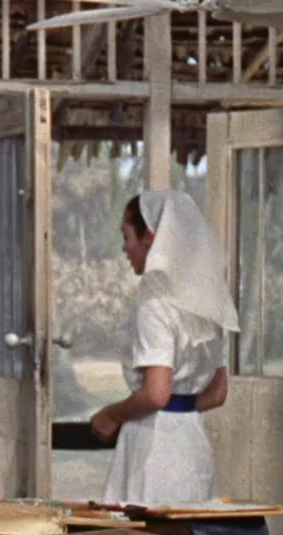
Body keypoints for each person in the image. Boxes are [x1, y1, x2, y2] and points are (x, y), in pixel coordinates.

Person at [90, 190, 241, 505]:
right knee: (190, 529)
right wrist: (181, 408)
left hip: (153, 445)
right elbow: (217, 393)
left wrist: (110, 415)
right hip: (192, 442)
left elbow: (156, 394)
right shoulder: (207, 299)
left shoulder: (155, 301)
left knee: (146, 530)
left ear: (150, 237)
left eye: (127, 236)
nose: (124, 248)